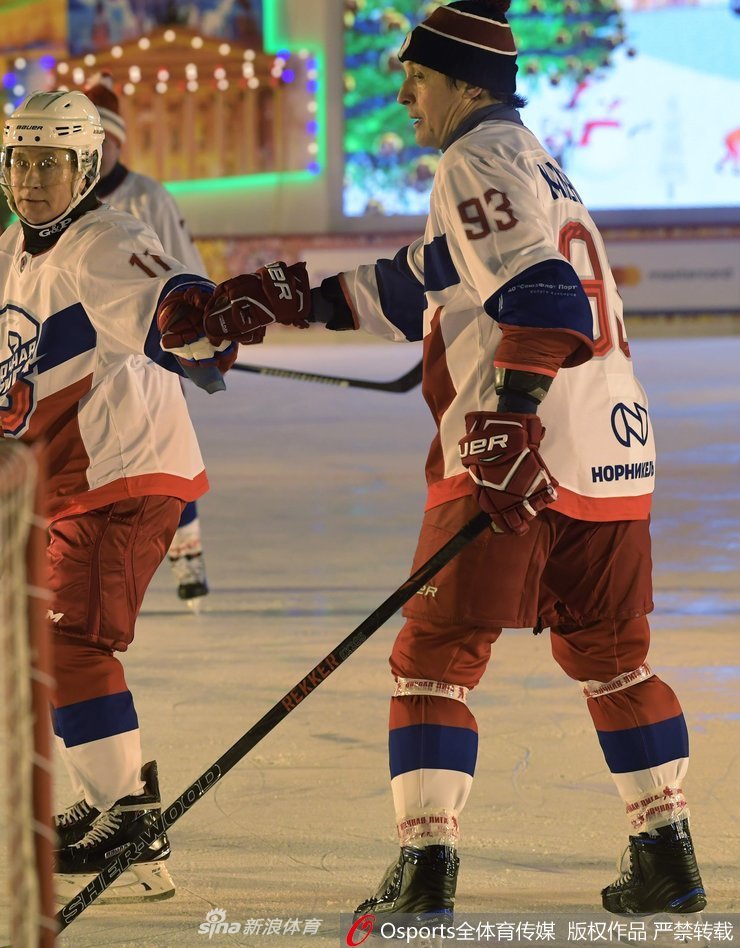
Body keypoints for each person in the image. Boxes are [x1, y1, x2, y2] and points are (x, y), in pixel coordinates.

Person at [164, 0, 707, 920]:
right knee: (615, 657)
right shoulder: (535, 167)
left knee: (434, 661)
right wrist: (264, 298)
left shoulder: (475, 158)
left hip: (514, 449)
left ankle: (423, 872)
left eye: (418, 75)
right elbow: (417, 280)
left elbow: (548, 303)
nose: (404, 90)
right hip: (615, 453)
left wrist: (510, 422)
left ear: (464, 82)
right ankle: (667, 854)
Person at [0, 89, 235, 901]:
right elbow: (25, 377)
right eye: (21, 160)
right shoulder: (4, 257)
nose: (32, 178)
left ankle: (126, 814)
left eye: (51, 163)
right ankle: (122, 818)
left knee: (71, 647)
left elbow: (167, 290)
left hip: (124, 475)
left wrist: (190, 326)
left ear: (85, 167)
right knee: (46, 644)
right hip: (67, 480)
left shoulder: (106, 238)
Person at [83, 70, 212, 610]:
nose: (95, 153)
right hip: (87, 360)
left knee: (167, 454)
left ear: (116, 141)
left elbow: (185, 263)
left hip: (152, 352)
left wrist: (204, 325)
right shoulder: (64, 203)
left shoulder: (148, 196)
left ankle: (188, 556)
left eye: (103, 142)